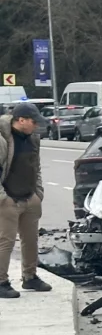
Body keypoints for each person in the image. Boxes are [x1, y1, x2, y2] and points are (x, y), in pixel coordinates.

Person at [0, 102, 52, 297]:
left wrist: (38, 193)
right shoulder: (3, 138)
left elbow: (36, 167)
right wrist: (4, 199)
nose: (36, 126)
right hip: (8, 200)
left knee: (30, 240)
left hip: (30, 198)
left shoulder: (32, 138)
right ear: (20, 120)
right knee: (5, 242)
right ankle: (1, 282)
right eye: (33, 121)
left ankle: (30, 277)